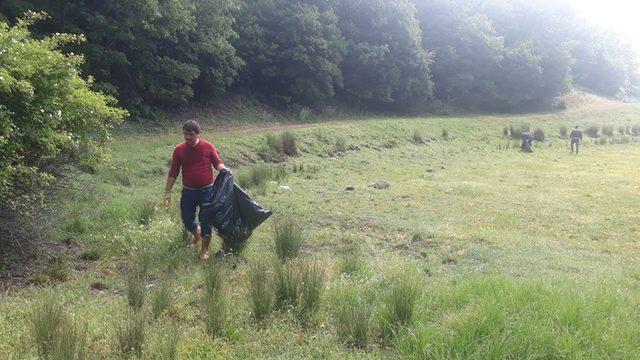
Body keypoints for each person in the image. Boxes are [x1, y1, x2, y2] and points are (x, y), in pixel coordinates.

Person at [164, 120, 231, 260]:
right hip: (188, 191)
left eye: (191, 134)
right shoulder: (179, 150)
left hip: (207, 191)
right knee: (186, 218)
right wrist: (167, 192)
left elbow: (217, 162)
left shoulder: (208, 146)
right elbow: (173, 172)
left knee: (205, 219)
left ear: (197, 134)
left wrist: (224, 169)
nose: (187, 137)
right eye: (185, 134)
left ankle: (204, 250)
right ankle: (197, 233)